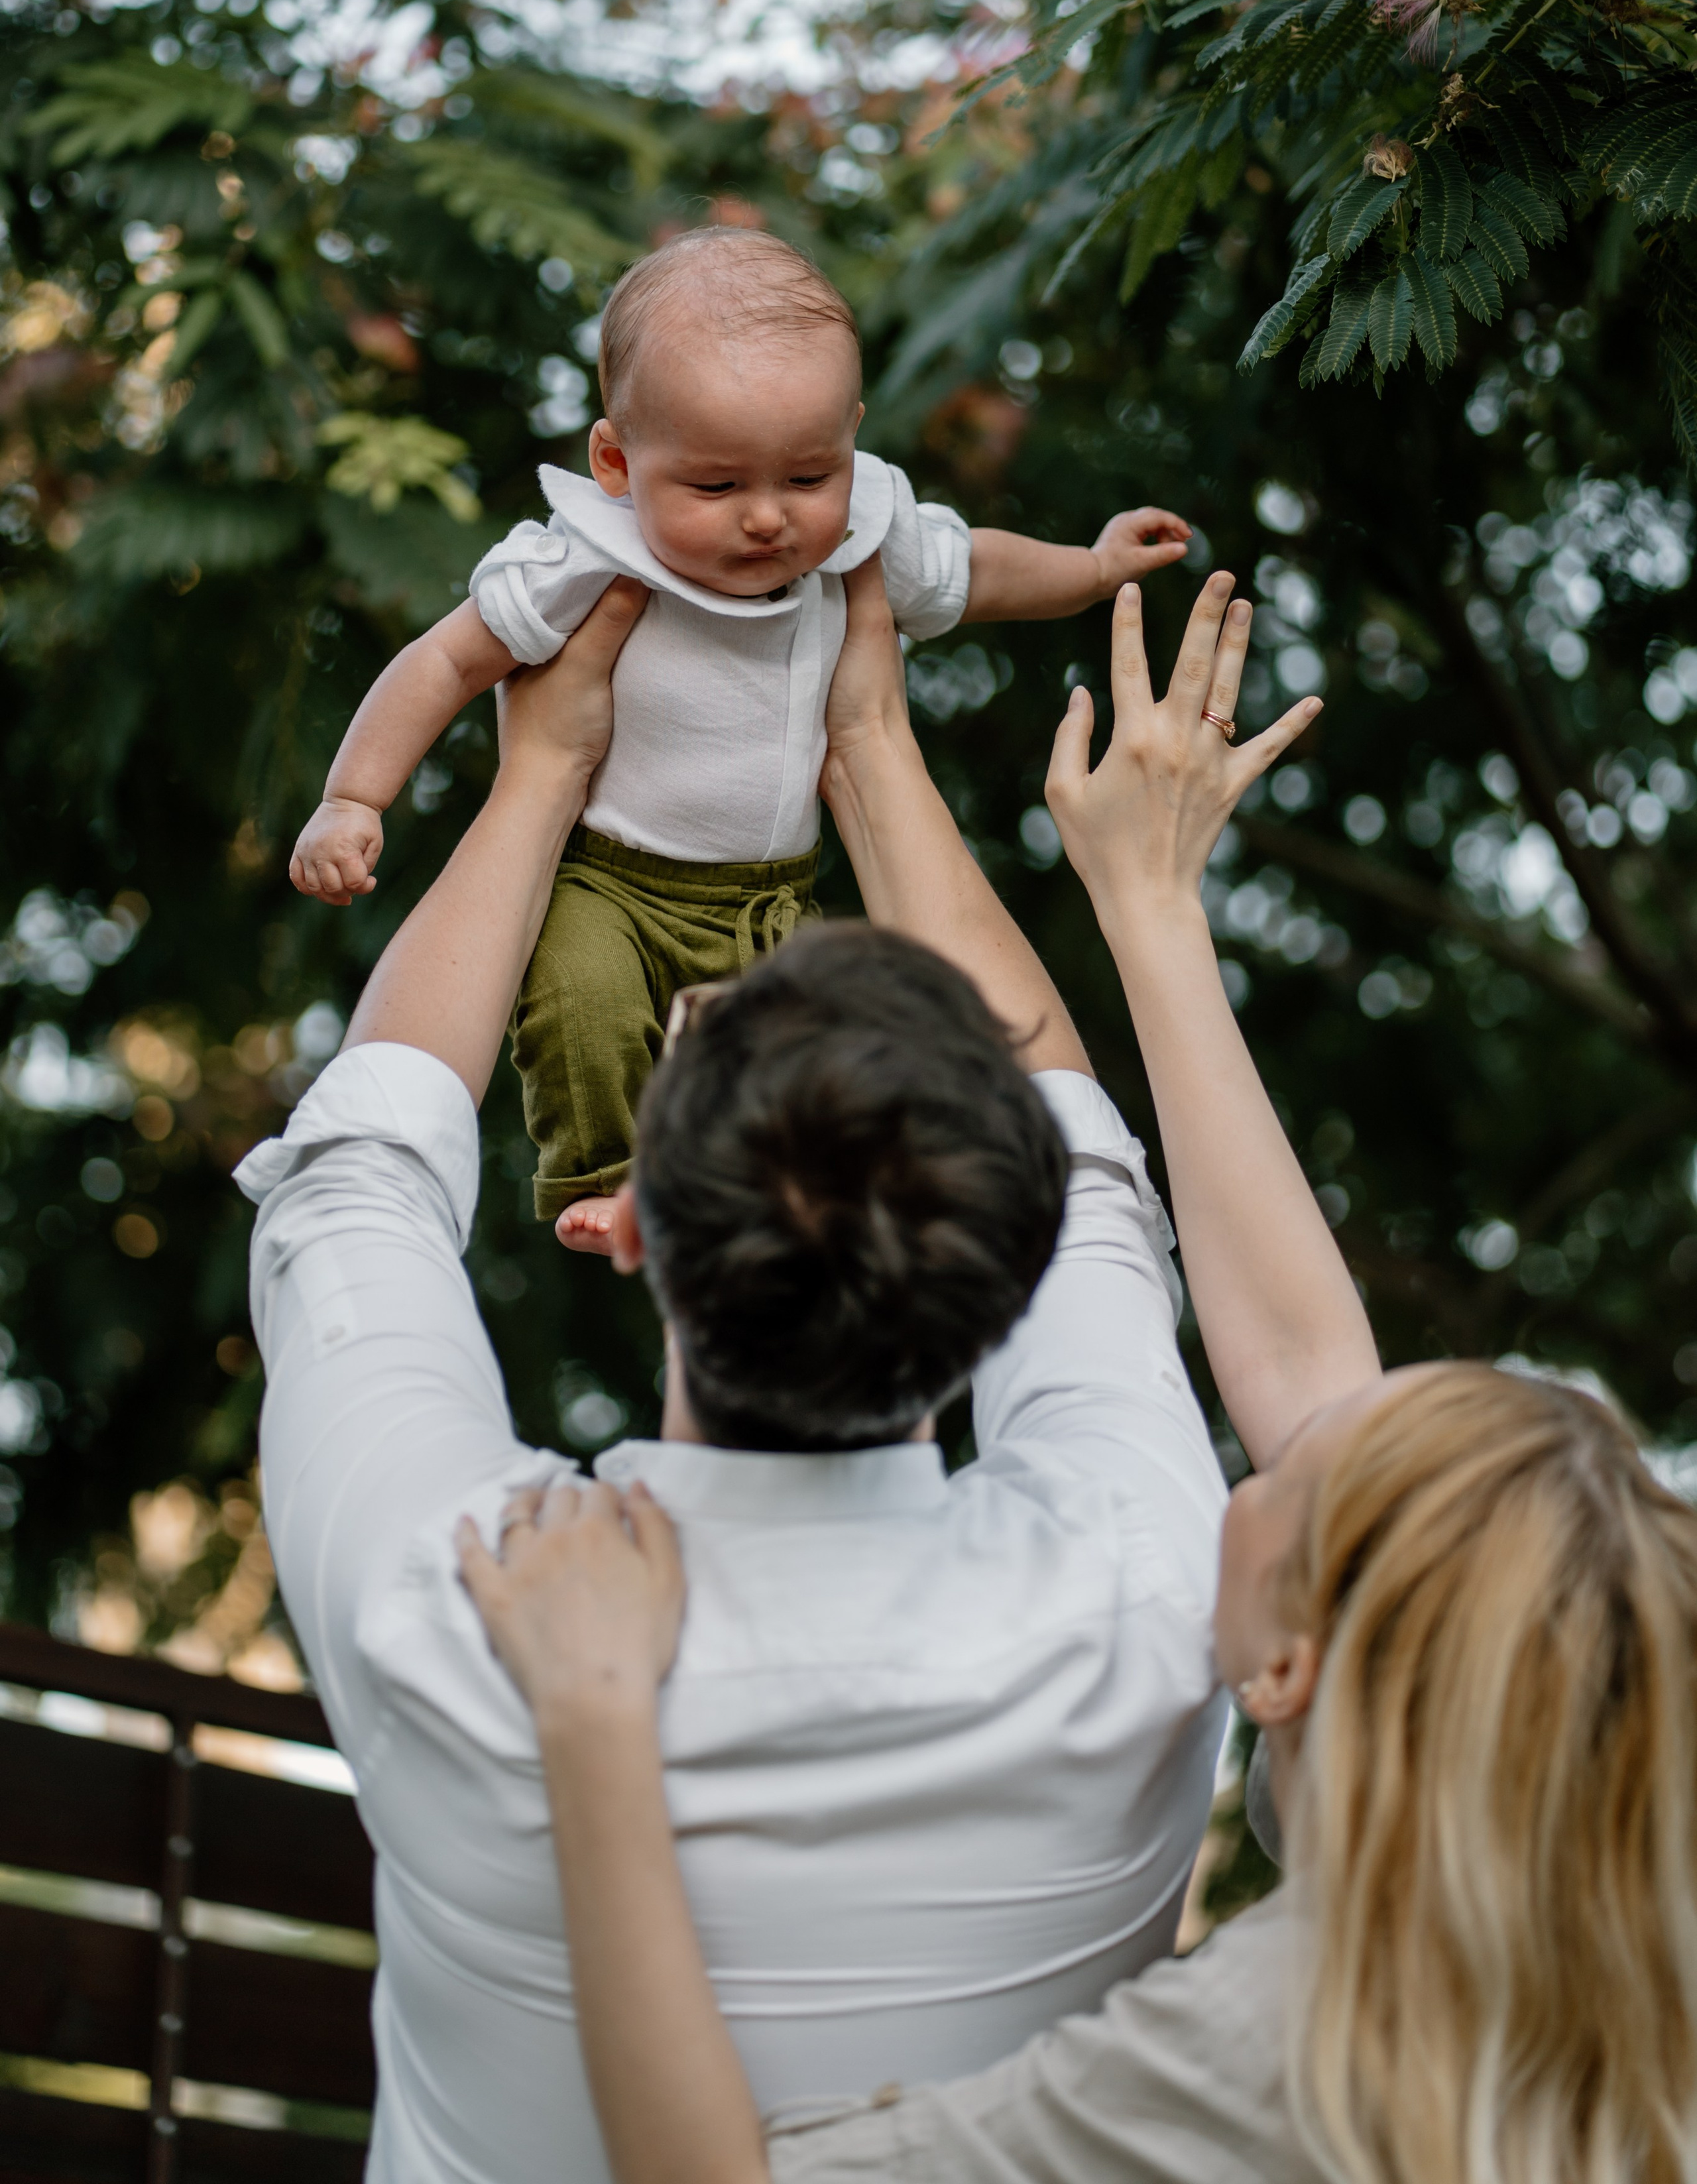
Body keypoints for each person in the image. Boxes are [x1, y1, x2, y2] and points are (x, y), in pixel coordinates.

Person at [459, 587, 1697, 2184]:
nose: (1266, 1446)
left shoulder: (1274, 2050)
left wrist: (593, 1723)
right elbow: (1307, 1373)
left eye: (1281, 1480)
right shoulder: (1563, 1799)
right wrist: (1143, 899)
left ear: (1286, 1670)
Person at [235, 551, 1366, 2184]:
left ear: (626, 1223)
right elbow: (1089, 1175)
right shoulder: (1148, 1585)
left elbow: (352, 1177)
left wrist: (541, 774)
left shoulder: (456, 1599)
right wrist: (870, 747)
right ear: (1006, 1277)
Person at [285, 227, 1193, 1239]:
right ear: (616, 460)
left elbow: (974, 571)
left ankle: (785, 1203)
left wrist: (1093, 567)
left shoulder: (864, 531)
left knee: (812, 1056)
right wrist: (353, 797)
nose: (768, 518)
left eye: (808, 477)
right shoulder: (585, 554)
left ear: (850, 437)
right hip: (609, 881)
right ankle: (609, 1177)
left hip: (772, 896)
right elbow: (447, 661)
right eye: (717, 487)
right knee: (581, 1005)